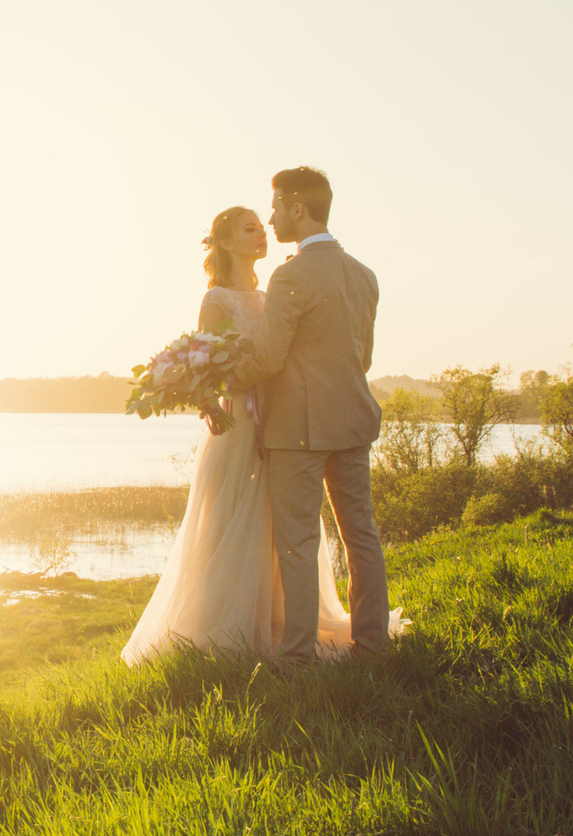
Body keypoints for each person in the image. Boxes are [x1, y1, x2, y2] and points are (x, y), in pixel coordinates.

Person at [117, 202, 359, 664]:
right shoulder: (218, 300)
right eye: (250, 229)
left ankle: (279, 617)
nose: (261, 234)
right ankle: (229, 624)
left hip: (284, 415)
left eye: (260, 228)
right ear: (226, 242)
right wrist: (209, 405)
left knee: (279, 520)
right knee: (234, 521)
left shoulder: (274, 292)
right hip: (240, 421)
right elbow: (207, 364)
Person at [241, 165, 392, 659]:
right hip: (353, 421)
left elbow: (266, 359)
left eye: (277, 206)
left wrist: (212, 376)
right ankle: (371, 644)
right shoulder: (365, 275)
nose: (272, 216)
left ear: (298, 209)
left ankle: (298, 657)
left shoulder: (291, 275)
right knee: (361, 535)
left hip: (298, 432)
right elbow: (363, 357)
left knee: (299, 544)